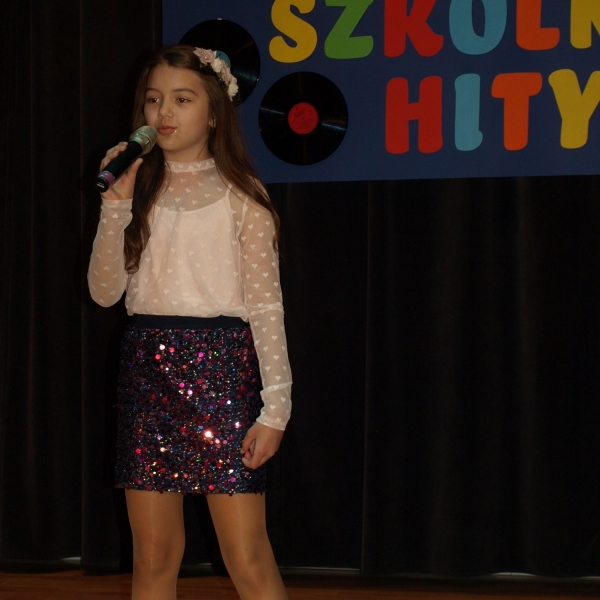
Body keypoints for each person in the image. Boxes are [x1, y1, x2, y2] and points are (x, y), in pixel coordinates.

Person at [88, 45, 292, 600]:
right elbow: (104, 293)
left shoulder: (243, 197)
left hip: (222, 374)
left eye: (182, 99)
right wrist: (115, 207)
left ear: (214, 113)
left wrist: (276, 408)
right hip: (146, 372)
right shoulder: (136, 190)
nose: (164, 113)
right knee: (153, 556)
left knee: (246, 556)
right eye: (154, 100)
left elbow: (267, 309)